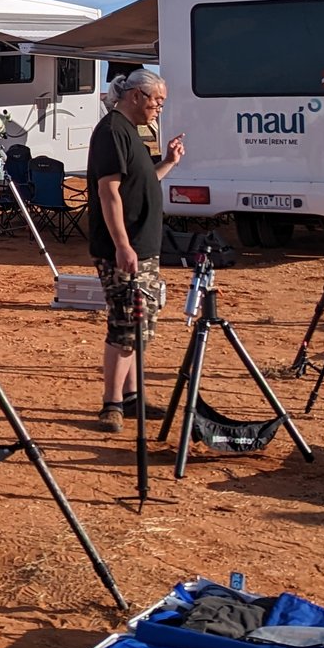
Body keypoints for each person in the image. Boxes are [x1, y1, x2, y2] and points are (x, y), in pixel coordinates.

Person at [85, 69, 185, 433]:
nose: (159, 107)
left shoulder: (131, 134)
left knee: (139, 325)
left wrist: (170, 162)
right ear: (136, 97)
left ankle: (131, 397)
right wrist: (122, 245)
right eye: (156, 99)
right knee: (126, 325)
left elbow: (141, 183)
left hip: (143, 247)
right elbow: (108, 192)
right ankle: (111, 404)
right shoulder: (112, 131)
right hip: (124, 250)